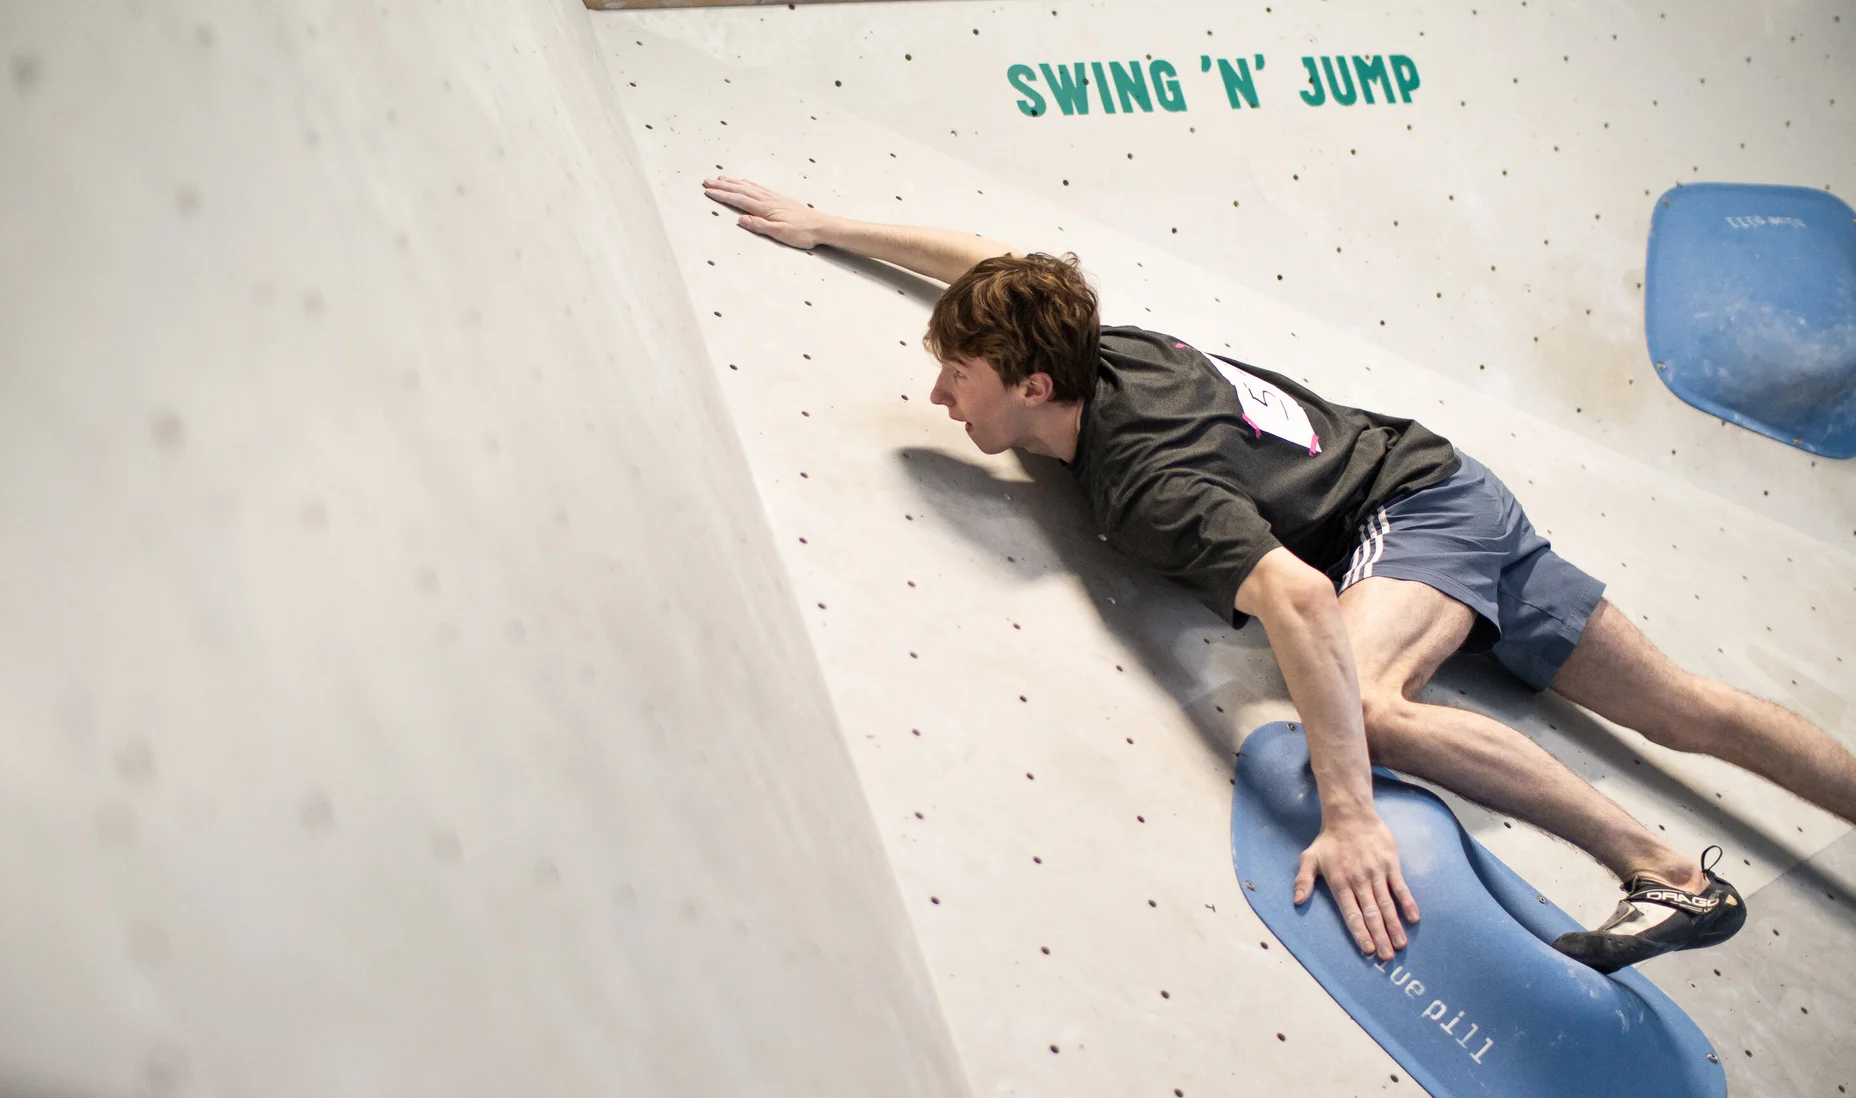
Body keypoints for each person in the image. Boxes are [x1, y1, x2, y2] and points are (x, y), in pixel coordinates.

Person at [702, 174, 1856, 973]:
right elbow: (990, 266)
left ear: (1036, 387)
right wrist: (826, 227)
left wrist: (1348, 815)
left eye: (958, 375)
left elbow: (1300, 599)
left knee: (1365, 706)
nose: (941, 395)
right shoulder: (1095, 340)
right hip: (1450, 489)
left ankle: (1666, 873)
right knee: (1686, 708)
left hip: (1412, 516)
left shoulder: (1143, 479)